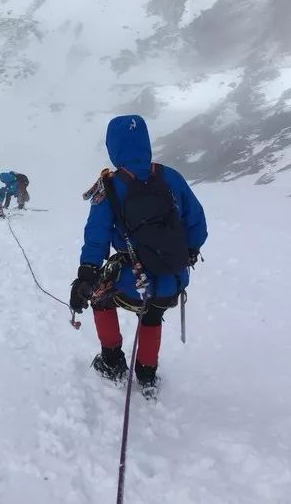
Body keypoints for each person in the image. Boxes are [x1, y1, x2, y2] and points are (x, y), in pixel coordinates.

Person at [70, 115, 207, 395]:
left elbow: (96, 236)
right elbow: (197, 224)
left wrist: (86, 275)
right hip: (172, 279)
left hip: (133, 281)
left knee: (100, 299)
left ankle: (112, 363)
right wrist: (186, 254)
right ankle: (147, 375)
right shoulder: (171, 177)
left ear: (113, 147)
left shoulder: (108, 186)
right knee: (152, 316)